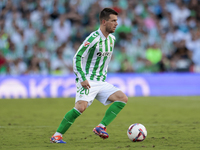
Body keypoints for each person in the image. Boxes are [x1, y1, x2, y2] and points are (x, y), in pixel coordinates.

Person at [50, 8, 128, 144]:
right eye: (113, 21)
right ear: (104, 22)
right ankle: (56, 136)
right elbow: (77, 57)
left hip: (101, 82)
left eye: (117, 21)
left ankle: (101, 127)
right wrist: (82, 78)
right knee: (80, 107)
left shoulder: (112, 40)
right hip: (88, 80)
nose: (116, 24)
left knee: (122, 98)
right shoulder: (93, 38)